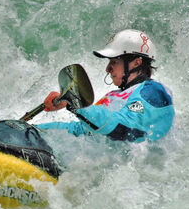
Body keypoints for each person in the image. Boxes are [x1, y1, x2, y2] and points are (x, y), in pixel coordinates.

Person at [37, 29, 174, 142]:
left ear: (136, 63)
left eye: (114, 62)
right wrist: (35, 130)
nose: (107, 69)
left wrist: (75, 104)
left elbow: (124, 130)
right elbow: (81, 131)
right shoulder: (113, 96)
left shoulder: (154, 92)